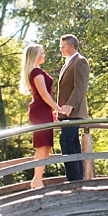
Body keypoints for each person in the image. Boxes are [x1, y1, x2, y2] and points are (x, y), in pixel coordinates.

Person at [19, 43, 65, 189]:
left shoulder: (36, 71)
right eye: (41, 53)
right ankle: (37, 180)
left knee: (46, 146)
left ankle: (37, 179)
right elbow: (44, 94)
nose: (43, 55)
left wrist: (51, 111)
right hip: (39, 111)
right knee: (42, 145)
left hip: (43, 111)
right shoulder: (36, 73)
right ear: (35, 56)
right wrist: (58, 108)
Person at [56, 34, 90, 181]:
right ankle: (76, 179)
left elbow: (80, 87)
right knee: (72, 142)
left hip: (74, 112)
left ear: (71, 47)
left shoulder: (80, 62)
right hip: (65, 113)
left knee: (66, 141)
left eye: (63, 47)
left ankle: (74, 179)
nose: (61, 50)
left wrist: (70, 105)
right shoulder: (67, 63)